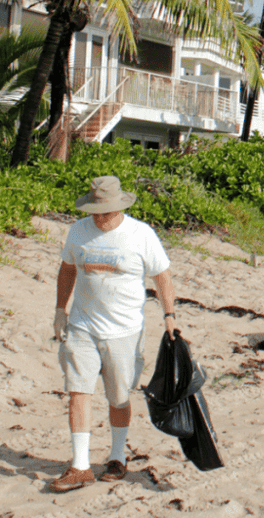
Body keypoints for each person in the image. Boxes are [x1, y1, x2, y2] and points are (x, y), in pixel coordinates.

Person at [51, 176, 175, 493]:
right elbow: (67, 269)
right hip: (82, 326)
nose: (98, 218)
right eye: (94, 212)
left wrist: (169, 315)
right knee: (78, 391)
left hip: (124, 331)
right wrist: (60, 310)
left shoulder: (140, 234)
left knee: (118, 397)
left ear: (119, 208)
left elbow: (162, 276)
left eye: (104, 212)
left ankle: (117, 457)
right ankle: (80, 467)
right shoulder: (78, 231)